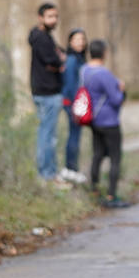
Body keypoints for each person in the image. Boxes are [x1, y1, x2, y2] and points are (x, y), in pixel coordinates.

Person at [82, 39, 129, 207]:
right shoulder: (104, 74)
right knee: (115, 158)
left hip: (93, 120)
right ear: (103, 53)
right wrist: (121, 90)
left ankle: (93, 189)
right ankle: (111, 196)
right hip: (109, 121)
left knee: (97, 154)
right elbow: (116, 99)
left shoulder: (84, 70)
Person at [29, 2, 65, 183]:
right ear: (40, 18)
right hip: (47, 92)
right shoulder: (41, 38)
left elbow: (59, 57)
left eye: (56, 16)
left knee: (49, 135)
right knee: (47, 136)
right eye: (50, 16)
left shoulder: (46, 37)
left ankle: (49, 173)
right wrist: (59, 62)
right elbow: (53, 61)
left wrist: (60, 59)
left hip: (46, 92)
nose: (54, 20)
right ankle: (46, 175)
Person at [60, 28, 89, 184]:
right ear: (70, 42)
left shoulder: (79, 58)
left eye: (83, 39)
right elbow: (70, 85)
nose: (81, 42)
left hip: (76, 103)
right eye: (77, 39)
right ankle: (70, 169)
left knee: (75, 135)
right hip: (72, 103)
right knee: (74, 135)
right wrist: (74, 107)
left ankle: (72, 168)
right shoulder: (72, 60)